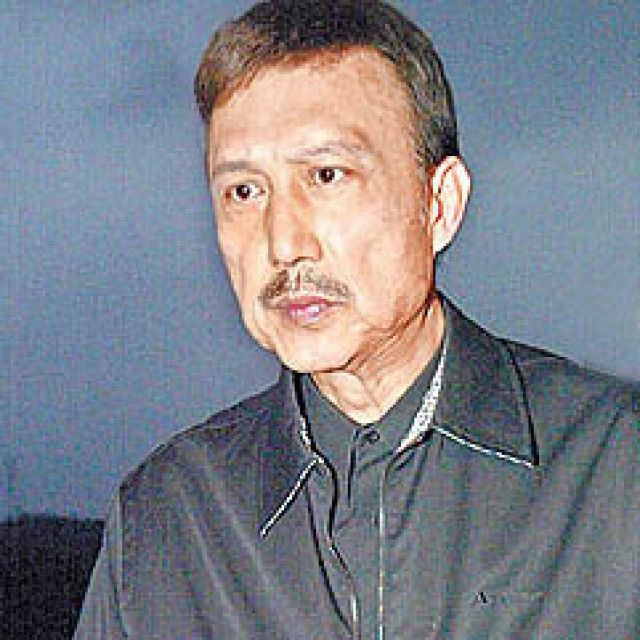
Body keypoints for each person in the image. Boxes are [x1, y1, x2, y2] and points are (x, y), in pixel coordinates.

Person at [74, 1, 639, 638]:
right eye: (244, 191)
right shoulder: (164, 522)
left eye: (326, 175)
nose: (283, 243)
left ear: (439, 204)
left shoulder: (617, 473)